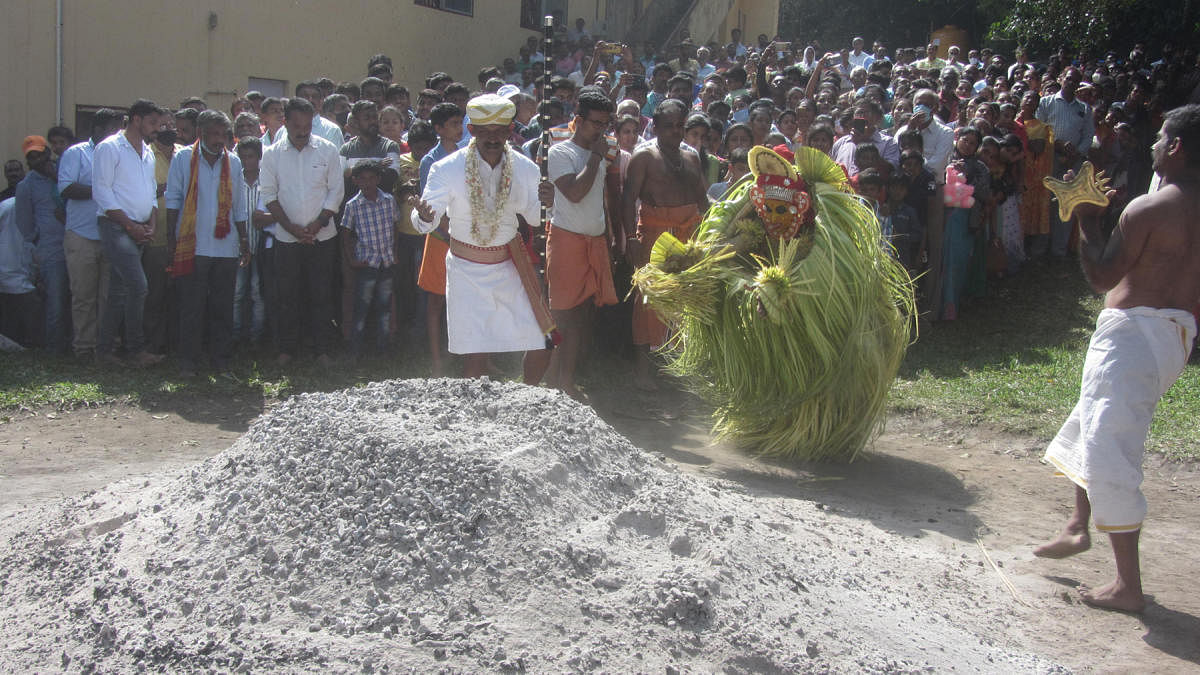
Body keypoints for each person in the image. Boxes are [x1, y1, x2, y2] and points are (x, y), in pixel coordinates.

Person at [1033, 105, 1200, 614]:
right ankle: (1077, 525)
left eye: (1159, 139)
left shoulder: (1148, 210)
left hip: (1132, 335)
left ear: (1175, 147)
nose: (1151, 147)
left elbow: (1103, 277)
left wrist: (1087, 219)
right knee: (1091, 425)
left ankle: (1128, 585)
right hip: (1173, 337)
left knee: (1108, 447)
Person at [412, 94, 557, 384]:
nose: (493, 138)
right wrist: (426, 216)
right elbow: (423, 221)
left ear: (509, 131)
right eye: (485, 131)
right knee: (475, 352)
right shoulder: (447, 168)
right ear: (473, 131)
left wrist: (547, 203)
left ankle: (528, 397)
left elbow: (533, 218)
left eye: (500, 131)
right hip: (466, 269)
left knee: (543, 339)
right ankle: (475, 417)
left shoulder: (525, 167)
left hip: (509, 265)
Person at [620, 99, 709, 390]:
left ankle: (678, 371)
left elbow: (703, 201)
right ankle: (644, 372)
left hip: (688, 237)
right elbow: (627, 200)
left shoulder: (692, 157)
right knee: (648, 301)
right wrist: (631, 239)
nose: (675, 131)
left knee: (685, 301)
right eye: (668, 126)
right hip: (654, 237)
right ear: (655, 127)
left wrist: (708, 234)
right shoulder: (643, 157)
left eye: (680, 126)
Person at [545, 89, 620, 400]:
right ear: (577, 121)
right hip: (566, 242)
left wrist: (610, 235)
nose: (600, 131)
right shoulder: (561, 154)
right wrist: (596, 157)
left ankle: (566, 380)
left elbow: (599, 200)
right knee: (561, 316)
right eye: (594, 124)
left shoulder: (600, 155)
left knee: (582, 315)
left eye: (605, 124)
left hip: (594, 241)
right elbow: (574, 193)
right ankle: (551, 380)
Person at [259, 96, 345, 366]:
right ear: (285, 122)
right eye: (297, 125)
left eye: (307, 125)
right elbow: (269, 196)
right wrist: (292, 229)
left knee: (321, 293)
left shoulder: (327, 150)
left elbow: (336, 191)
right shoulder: (272, 154)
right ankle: (287, 348)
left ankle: (322, 349)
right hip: (287, 238)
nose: (302, 131)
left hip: (322, 236)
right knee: (288, 295)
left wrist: (317, 224)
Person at [165, 110, 249, 376]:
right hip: (194, 245)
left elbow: (238, 205)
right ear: (200, 134)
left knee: (223, 306)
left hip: (225, 246)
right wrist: (171, 239)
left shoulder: (233, 162)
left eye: (222, 134)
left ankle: (221, 360)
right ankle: (188, 361)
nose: (218, 140)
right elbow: (173, 199)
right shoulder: (182, 158)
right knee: (192, 306)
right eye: (213, 134)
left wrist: (244, 239)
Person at [92, 99, 164, 367]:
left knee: (120, 291)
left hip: (140, 228)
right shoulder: (110, 148)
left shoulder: (147, 152)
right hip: (117, 228)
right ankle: (135, 350)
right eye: (152, 122)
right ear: (136, 120)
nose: (157, 128)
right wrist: (131, 226)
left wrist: (151, 225)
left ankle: (105, 351)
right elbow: (102, 192)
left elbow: (151, 194)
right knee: (138, 286)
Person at [59, 108, 122, 360]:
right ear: (97, 130)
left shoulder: (118, 154)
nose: (116, 134)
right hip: (81, 235)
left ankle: (105, 347)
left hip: (111, 234)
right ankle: (84, 348)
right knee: (83, 295)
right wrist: (103, 191)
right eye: (111, 129)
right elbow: (66, 188)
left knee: (109, 296)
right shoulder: (76, 153)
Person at [416, 102, 466, 375]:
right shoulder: (429, 161)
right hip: (439, 237)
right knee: (436, 300)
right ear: (439, 129)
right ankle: (436, 359)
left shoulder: (464, 155)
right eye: (453, 124)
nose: (459, 129)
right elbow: (430, 205)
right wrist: (449, 229)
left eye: (460, 123)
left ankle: (468, 353)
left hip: (461, 235)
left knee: (464, 299)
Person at [14, 136, 68, 354]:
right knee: (56, 300)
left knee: (81, 298)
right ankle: (55, 348)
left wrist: (56, 177)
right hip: (51, 250)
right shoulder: (25, 186)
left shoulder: (64, 173)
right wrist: (40, 240)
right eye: (32, 157)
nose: (37, 160)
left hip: (78, 240)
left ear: (48, 152)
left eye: (40, 154)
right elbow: (25, 226)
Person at [340, 160, 399, 359]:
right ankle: (355, 349)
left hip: (386, 261)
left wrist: (395, 252)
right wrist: (352, 260)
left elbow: (395, 227)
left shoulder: (389, 200)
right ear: (355, 181)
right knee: (362, 307)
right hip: (367, 262)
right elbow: (346, 234)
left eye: (372, 178)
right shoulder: (353, 205)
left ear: (379, 179)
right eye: (363, 179)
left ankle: (384, 348)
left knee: (384, 306)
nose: (368, 183)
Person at [1036, 67, 1094, 258]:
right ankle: (1040, 247)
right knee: (1045, 201)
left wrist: (1077, 153)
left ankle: (1059, 249)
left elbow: (1088, 136)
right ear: (1061, 79)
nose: (1071, 83)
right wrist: (1057, 145)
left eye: (1076, 81)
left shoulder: (1084, 109)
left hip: (1073, 162)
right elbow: (1039, 128)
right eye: (1068, 79)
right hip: (1049, 158)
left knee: (1066, 204)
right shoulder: (1046, 102)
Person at [145, 109, 181, 354]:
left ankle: (176, 343)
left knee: (180, 295)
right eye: (162, 125)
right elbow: (144, 192)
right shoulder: (146, 154)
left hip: (185, 237)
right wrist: (168, 188)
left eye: (171, 124)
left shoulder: (185, 154)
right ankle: (152, 344)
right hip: (156, 238)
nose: (167, 129)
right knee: (155, 294)